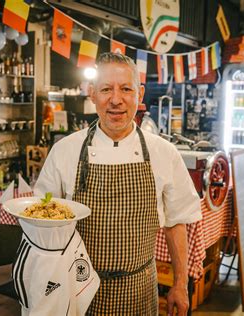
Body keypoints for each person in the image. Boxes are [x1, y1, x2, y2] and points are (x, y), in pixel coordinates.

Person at [35, 52, 201, 315]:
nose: (115, 100)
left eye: (126, 89)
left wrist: (180, 284)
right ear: (92, 93)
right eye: (105, 89)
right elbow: (42, 221)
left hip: (140, 290)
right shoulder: (65, 151)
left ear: (140, 93)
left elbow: (176, 222)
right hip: (78, 289)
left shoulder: (164, 153)